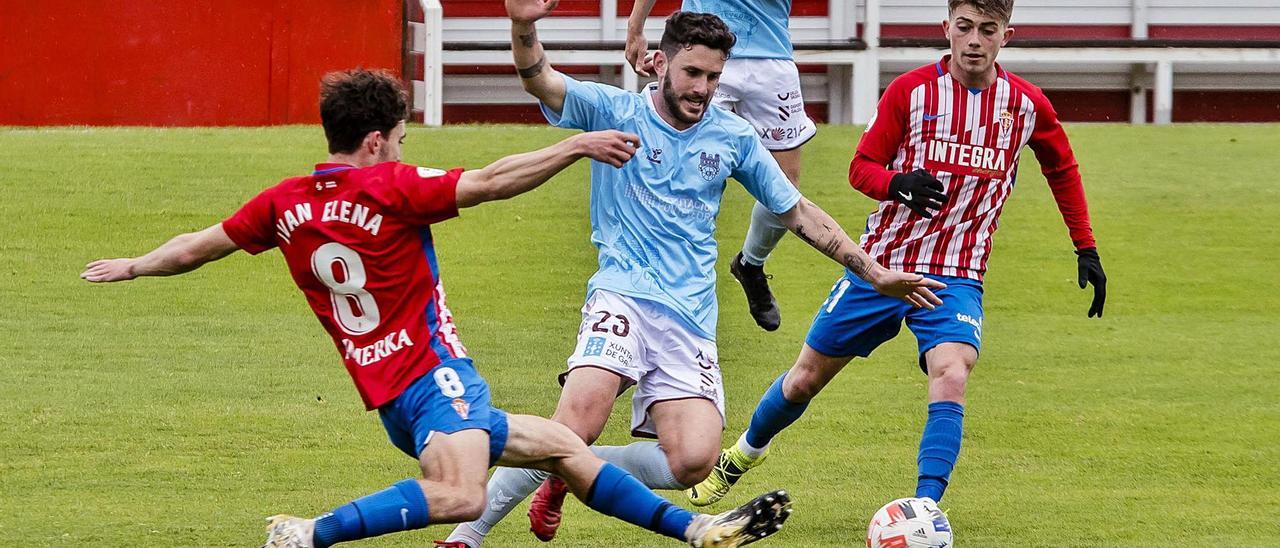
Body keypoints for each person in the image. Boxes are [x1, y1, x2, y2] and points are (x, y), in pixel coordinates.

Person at [80, 68, 799, 548]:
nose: (402, 146)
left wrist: (135, 266)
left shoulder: (284, 204)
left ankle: (698, 533)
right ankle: (310, 533)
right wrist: (575, 145)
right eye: (398, 136)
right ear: (375, 141)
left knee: (562, 449)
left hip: (389, 391)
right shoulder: (390, 187)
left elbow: (196, 247)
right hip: (434, 378)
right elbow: (489, 182)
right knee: (457, 496)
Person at [444, 4, 945, 546]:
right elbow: (537, 78)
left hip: (689, 315)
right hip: (623, 295)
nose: (702, 88)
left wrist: (874, 272)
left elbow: (796, 211)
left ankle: (567, 472)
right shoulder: (614, 110)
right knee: (575, 422)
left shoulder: (733, 136)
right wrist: (523, 24)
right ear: (660, 63)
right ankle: (467, 534)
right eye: (692, 73)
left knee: (692, 463)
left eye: (712, 77)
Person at [684, 0, 1108, 510]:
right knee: (804, 379)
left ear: (1006, 36)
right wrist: (897, 184)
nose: (974, 40)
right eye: (966, 27)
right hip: (882, 267)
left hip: (956, 276)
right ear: (946, 28)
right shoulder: (910, 92)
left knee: (952, 371)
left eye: (987, 30)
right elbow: (861, 169)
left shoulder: (1027, 104)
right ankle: (743, 455)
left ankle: (927, 509)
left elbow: (1062, 168)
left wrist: (1086, 247)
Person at [626, 0, 811, 332]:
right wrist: (635, 26)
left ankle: (750, 264)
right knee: (675, 168)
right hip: (703, 49)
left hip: (772, 55)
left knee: (786, 187)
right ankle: (649, 283)